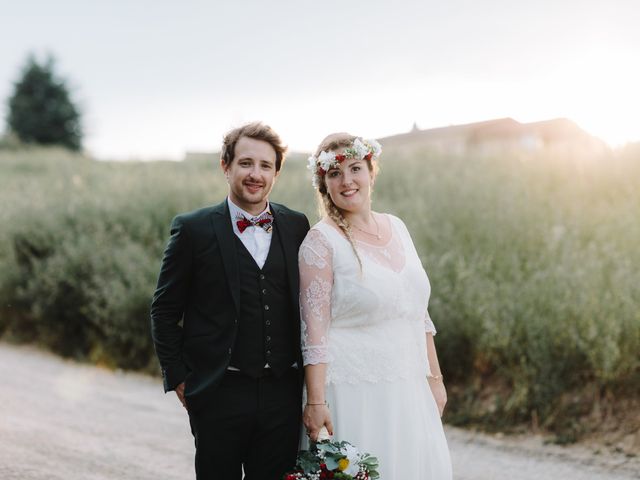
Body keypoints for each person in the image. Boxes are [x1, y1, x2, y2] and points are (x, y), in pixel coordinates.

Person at [150, 122, 310, 480]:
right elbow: (164, 310)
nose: (255, 174)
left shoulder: (297, 226)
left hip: (282, 395)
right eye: (245, 163)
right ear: (226, 166)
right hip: (218, 393)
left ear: (276, 173)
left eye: (265, 166)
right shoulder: (193, 229)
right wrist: (178, 377)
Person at [299, 133, 452, 479]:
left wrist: (435, 378)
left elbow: (417, 312)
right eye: (335, 173)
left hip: (409, 385)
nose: (347, 180)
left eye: (355, 168)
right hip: (353, 391)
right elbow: (314, 332)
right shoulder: (320, 242)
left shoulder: (396, 226)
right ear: (323, 183)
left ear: (371, 171)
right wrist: (316, 401)